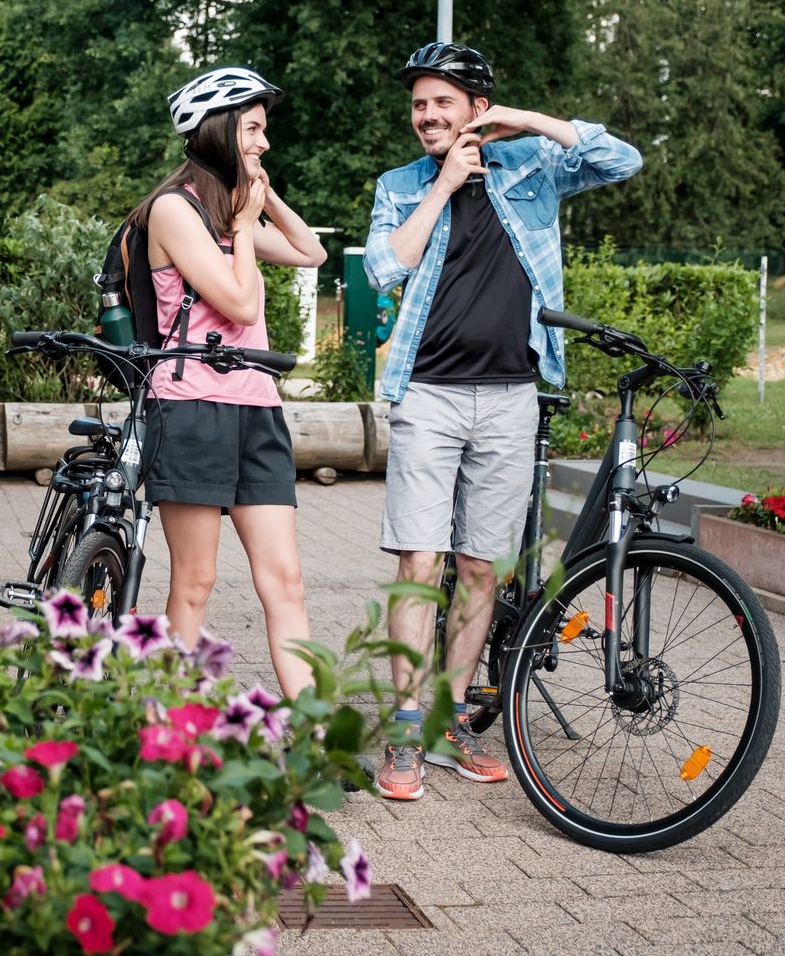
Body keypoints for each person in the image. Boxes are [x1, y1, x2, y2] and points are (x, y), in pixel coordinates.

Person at [364, 42, 643, 799]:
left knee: (482, 566)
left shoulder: (529, 168)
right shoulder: (400, 184)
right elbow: (383, 268)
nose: (425, 115)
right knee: (420, 564)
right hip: (428, 393)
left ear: (475, 109)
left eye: (441, 102)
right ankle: (401, 728)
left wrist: (519, 121)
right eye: (419, 103)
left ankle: (449, 722)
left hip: (512, 395)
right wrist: (444, 183)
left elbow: (622, 160)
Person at [131, 66, 327, 699]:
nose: (263, 143)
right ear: (217, 133)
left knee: (286, 581)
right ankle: (169, 728)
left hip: (255, 407)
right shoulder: (173, 211)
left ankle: (312, 734)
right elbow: (241, 306)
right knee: (195, 581)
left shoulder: (230, 215)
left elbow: (310, 253)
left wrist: (260, 202)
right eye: (252, 129)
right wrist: (243, 230)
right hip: (190, 409)